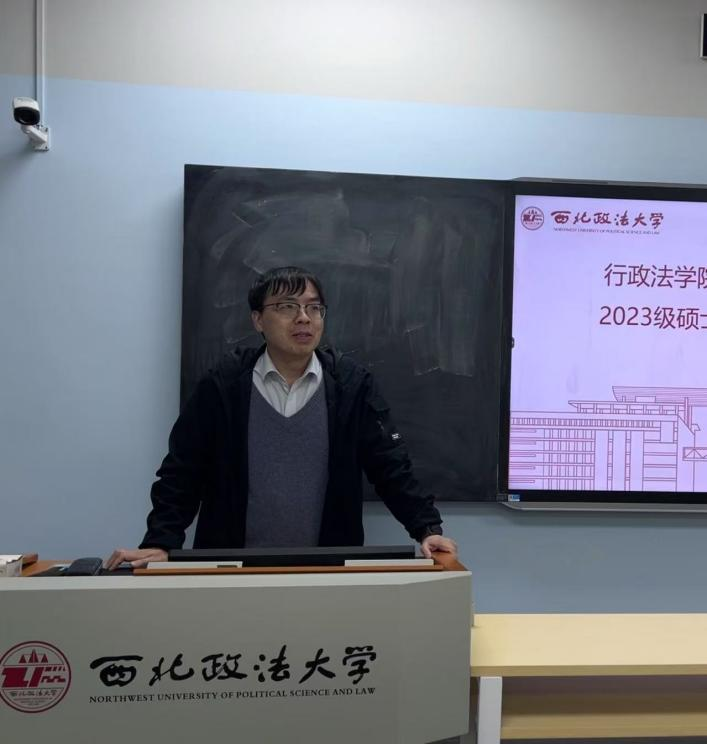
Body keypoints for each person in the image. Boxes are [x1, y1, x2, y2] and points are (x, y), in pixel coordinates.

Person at [106, 266, 457, 569]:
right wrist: (161, 541)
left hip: (328, 570)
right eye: (287, 306)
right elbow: (183, 471)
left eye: (314, 308)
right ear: (258, 319)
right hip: (230, 568)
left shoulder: (351, 385)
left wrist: (426, 529)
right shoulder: (224, 384)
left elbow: (390, 466)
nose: (304, 318)